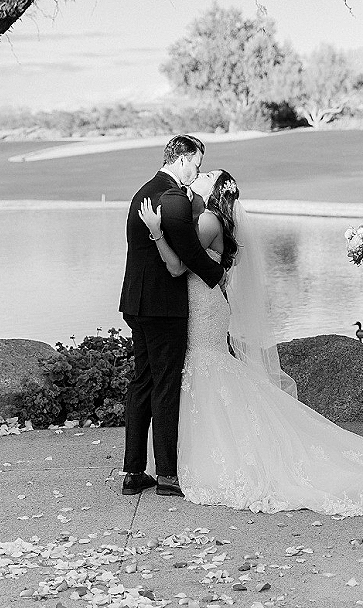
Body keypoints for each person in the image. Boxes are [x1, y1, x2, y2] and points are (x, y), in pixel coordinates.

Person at [139, 169, 363, 516]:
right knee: (207, 370)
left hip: (203, 309)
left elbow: (178, 265)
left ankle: (197, 458)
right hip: (206, 305)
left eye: (207, 174)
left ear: (215, 190)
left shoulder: (208, 220)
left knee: (204, 368)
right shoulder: (213, 219)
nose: (201, 174)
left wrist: (156, 232)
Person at [119, 135, 225, 497]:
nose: (197, 170)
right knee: (165, 386)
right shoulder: (172, 197)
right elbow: (189, 254)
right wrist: (218, 275)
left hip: (136, 303)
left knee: (142, 382)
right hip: (163, 307)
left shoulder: (144, 192)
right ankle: (166, 475)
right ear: (182, 159)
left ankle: (133, 472)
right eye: (196, 163)